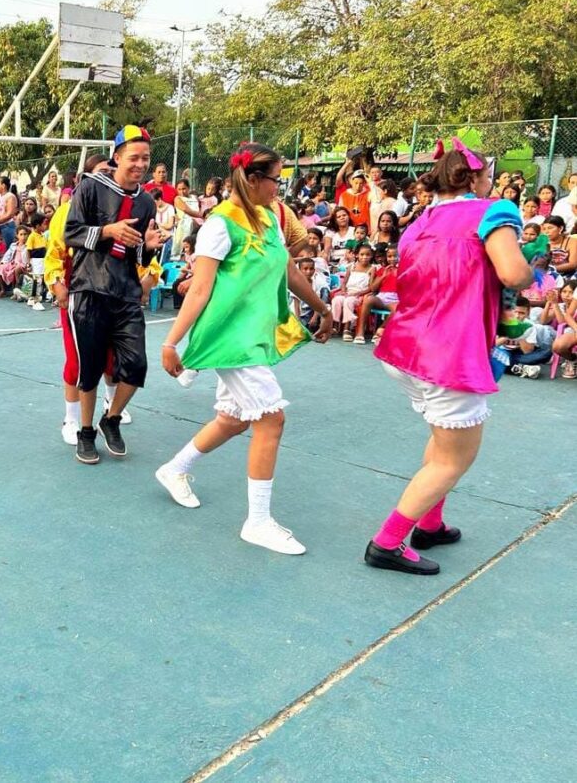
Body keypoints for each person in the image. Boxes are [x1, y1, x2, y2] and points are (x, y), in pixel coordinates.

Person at [365, 138, 533, 576]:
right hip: (450, 354)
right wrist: (528, 269)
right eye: (489, 175)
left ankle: (431, 523)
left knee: (443, 440)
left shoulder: (419, 222)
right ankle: (387, 542)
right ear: (476, 177)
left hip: (405, 347)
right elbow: (513, 272)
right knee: (453, 458)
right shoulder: (493, 211)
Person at [156, 143, 331, 556]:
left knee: (233, 419)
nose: (280, 188)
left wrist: (321, 306)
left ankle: (174, 469)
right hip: (230, 338)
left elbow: (286, 269)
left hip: (253, 335)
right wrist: (170, 342)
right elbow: (200, 288)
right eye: (276, 179)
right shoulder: (220, 225)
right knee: (271, 419)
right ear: (253, 179)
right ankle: (257, 522)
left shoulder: (270, 218)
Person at [63, 126, 165, 464]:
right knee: (89, 369)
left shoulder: (147, 201)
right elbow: (71, 233)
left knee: (136, 366)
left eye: (145, 158)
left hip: (125, 292)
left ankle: (112, 418)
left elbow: (137, 256)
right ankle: (86, 431)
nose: (140, 164)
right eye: (133, 157)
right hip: (89, 288)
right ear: (117, 156)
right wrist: (108, 230)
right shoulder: (90, 187)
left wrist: (148, 249)